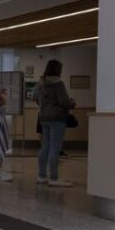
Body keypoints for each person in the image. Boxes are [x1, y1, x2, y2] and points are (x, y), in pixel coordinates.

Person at [35, 59, 75, 187]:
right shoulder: (58, 83)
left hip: (43, 117)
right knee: (55, 148)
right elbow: (64, 102)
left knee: (45, 147)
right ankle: (53, 177)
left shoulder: (40, 83)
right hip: (57, 118)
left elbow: (34, 97)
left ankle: (41, 175)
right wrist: (72, 103)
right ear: (58, 69)